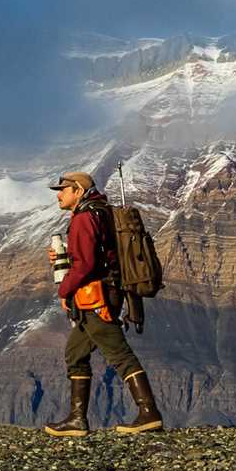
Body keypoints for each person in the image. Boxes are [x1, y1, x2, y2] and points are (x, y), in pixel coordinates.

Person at [43, 172, 164, 436]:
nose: (58, 194)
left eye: (63, 189)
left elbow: (86, 265)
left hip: (95, 297)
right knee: (75, 353)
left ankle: (148, 413)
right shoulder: (101, 213)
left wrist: (65, 290)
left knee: (119, 354)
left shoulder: (84, 218)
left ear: (78, 190)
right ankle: (77, 420)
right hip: (104, 293)